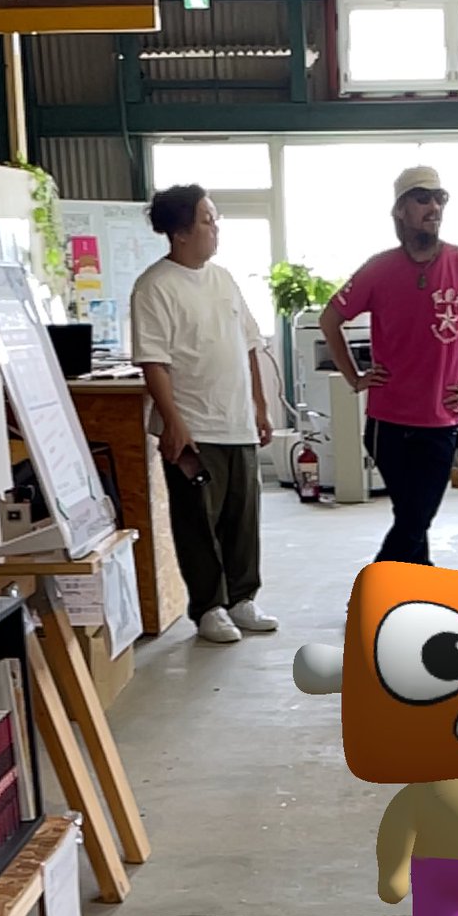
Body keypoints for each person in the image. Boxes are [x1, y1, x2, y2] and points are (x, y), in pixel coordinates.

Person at [319, 164, 458, 565]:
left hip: (440, 423)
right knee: (412, 519)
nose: (434, 207)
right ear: (400, 209)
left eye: (440, 198)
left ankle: (378, 587)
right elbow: (329, 320)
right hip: (388, 425)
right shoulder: (379, 268)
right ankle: (415, 584)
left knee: (413, 520)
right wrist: (355, 377)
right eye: (423, 198)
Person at [131, 184, 278, 644]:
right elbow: (153, 361)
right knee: (197, 521)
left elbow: (249, 346)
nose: (216, 228)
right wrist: (174, 422)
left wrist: (260, 405)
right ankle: (210, 607)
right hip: (193, 427)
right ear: (180, 232)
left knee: (243, 517)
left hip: (236, 422)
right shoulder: (154, 286)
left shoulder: (224, 279)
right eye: (207, 220)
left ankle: (242, 598)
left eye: (215, 219)